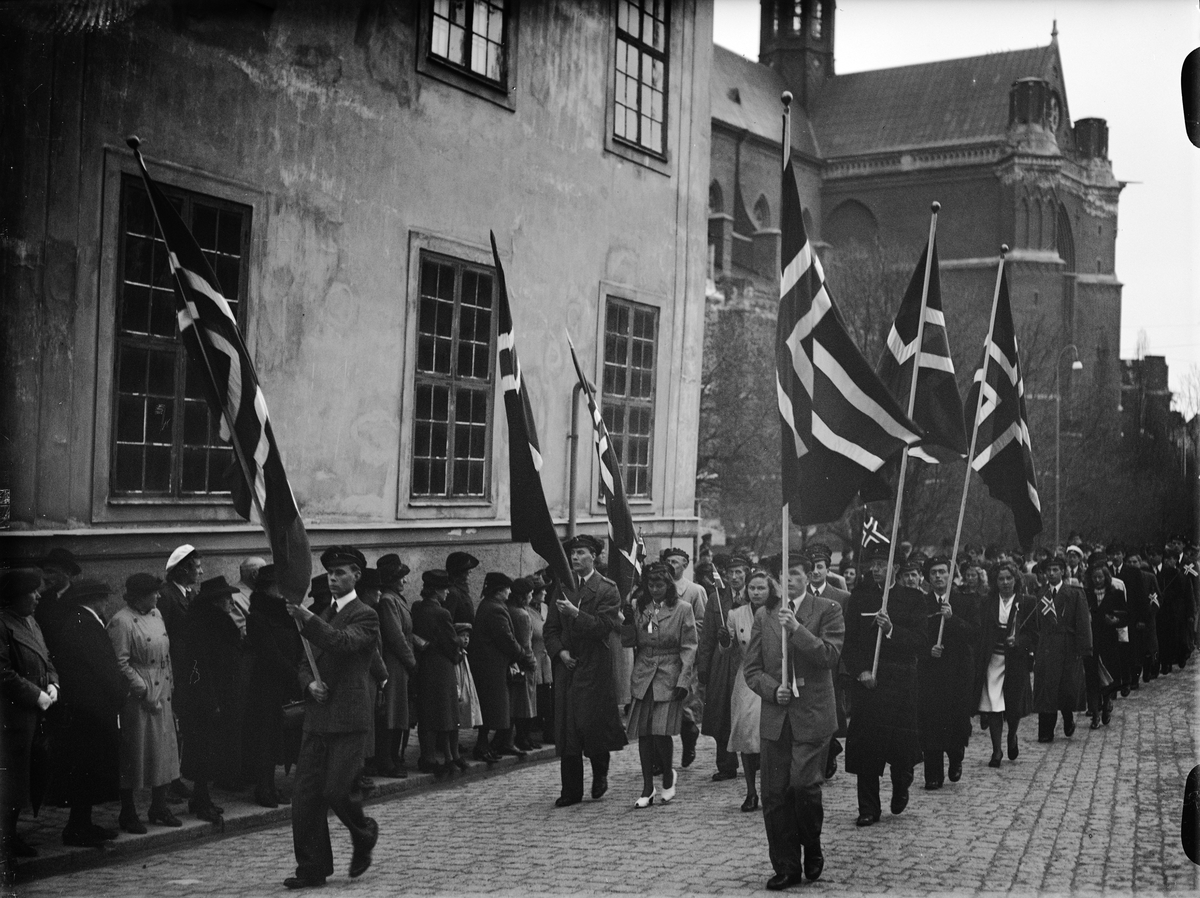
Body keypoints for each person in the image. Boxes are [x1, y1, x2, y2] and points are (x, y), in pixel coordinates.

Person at [743, 555, 844, 889]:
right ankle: (786, 865)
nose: (788, 580)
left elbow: (829, 656)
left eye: (796, 574)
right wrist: (773, 690)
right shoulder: (764, 615)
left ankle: (811, 844)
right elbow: (752, 669)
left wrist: (797, 629)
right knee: (774, 795)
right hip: (777, 717)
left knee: (802, 786)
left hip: (813, 715)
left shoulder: (827, 609)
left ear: (808, 576)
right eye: (782, 575)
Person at [283, 546, 381, 890]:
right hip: (317, 719)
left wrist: (308, 619)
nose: (333, 579)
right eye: (330, 573)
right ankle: (312, 868)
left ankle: (364, 834)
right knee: (305, 797)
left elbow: (342, 642)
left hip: (348, 718)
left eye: (340, 573)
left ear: (356, 575)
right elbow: (303, 662)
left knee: (338, 791)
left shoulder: (365, 615)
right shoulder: (323, 612)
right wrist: (309, 683)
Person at [842, 547, 926, 827]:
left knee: (901, 748)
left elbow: (920, 641)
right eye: (873, 564)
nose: (876, 569)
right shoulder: (860, 597)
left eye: (882, 564)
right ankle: (868, 807)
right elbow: (849, 643)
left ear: (895, 568)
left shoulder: (913, 599)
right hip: (869, 684)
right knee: (866, 747)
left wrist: (891, 629)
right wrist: (861, 671)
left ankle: (902, 782)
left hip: (901, 682)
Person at [544, 534, 628, 807]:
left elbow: (604, 627)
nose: (575, 557)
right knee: (568, 729)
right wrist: (560, 652)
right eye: (573, 553)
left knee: (592, 726)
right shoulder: (563, 586)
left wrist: (576, 614)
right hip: (568, 669)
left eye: (581, 552)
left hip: (595, 667)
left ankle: (600, 772)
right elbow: (550, 629)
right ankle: (570, 790)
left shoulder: (607, 589)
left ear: (594, 556)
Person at [53, 578, 129, 847]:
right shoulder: (85, 624)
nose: (107, 602)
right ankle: (77, 827)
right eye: (103, 597)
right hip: (90, 710)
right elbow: (103, 667)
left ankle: (83, 823)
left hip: (87, 708)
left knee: (88, 770)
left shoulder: (81, 621)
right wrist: (120, 693)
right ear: (93, 599)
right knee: (86, 770)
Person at [620, 561, 698, 808]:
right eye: (651, 585)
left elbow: (689, 646)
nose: (655, 590)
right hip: (644, 673)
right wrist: (627, 622)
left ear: (669, 585)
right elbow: (628, 642)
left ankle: (667, 775)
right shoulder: (639, 607)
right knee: (644, 732)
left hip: (669, 672)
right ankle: (647, 787)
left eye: (660, 585)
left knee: (661, 731)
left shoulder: (682, 609)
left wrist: (684, 679)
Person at [108, 573, 181, 833]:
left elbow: (165, 653)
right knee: (135, 753)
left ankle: (159, 806)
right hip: (138, 695)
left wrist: (169, 682)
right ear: (139, 596)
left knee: (164, 751)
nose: (159, 596)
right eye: (154, 592)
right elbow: (120, 663)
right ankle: (128, 812)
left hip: (162, 690)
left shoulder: (156, 615)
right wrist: (142, 689)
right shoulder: (122, 621)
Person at [1, 569, 58, 864]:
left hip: (35, 712)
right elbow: (3, 673)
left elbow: (46, 658)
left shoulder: (31, 622)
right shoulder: (3, 625)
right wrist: (36, 694)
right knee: (12, 778)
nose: (38, 597)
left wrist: (53, 683)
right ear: (16, 595)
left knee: (25, 776)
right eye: (32, 592)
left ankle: (11, 835)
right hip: (13, 715)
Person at [179, 576, 245, 824]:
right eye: (227, 598)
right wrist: (209, 698)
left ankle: (202, 797)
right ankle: (201, 799)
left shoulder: (219, 622)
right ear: (215, 601)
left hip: (220, 694)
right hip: (206, 697)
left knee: (212, 749)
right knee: (203, 750)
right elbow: (198, 665)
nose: (231, 602)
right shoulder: (201, 625)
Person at [917, 556, 980, 790]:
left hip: (958, 671)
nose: (938, 576)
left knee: (955, 718)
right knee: (931, 720)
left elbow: (975, 633)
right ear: (928, 577)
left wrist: (952, 619)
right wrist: (927, 650)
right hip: (931, 671)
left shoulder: (965, 601)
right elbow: (915, 636)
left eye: (942, 572)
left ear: (950, 575)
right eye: (934, 572)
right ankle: (933, 774)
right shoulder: (922, 604)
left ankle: (956, 756)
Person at [244, 564, 304, 808]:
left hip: (285, 685)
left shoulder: (285, 614)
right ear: (267, 588)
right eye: (279, 586)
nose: (283, 591)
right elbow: (269, 653)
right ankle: (263, 788)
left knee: (279, 737)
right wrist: (295, 675)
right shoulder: (257, 616)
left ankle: (271, 786)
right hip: (266, 685)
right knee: (265, 739)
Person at [698, 551, 753, 782]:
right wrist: (703, 667)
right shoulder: (716, 599)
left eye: (739, 572)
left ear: (746, 574)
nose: (734, 577)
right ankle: (726, 764)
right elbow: (707, 637)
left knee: (749, 711)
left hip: (748, 661)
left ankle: (755, 759)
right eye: (730, 573)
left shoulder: (754, 595)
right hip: (722, 663)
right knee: (721, 713)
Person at [975, 561, 1035, 767]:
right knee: (993, 704)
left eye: (1009, 578)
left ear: (1016, 580)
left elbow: (1034, 634)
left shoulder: (1026, 602)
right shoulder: (987, 602)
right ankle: (996, 750)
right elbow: (981, 629)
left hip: (1015, 660)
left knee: (1013, 704)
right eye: (1001, 579)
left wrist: (1019, 641)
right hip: (993, 658)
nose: (1005, 582)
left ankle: (1012, 735)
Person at [471, 572, 536, 760]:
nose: (509, 592)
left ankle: (490, 745)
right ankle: (482, 746)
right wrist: (522, 655)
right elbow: (507, 639)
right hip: (493, 666)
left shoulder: (490, 605)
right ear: (499, 590)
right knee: (491, 708)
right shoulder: (495, 609)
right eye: (507, 589)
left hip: (490, 664)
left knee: (492, 707)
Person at [157, 543, 203, 801]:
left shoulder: (189, 594)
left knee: (184, 725)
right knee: (171, 727)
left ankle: (175, 777)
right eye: (197, 567)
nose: (201, 572)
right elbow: (162, 635)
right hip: (175, 669)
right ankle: (167, 781)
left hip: (189, 670)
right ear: (184, 570)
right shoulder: (167, 596)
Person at [411, 570, 467, 775]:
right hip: (442, 667)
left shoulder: (417, 608)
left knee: (428, 713)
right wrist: (459, 648)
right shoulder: (442, 613)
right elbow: (450, 642)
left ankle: (428, 756)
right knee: (446, 713)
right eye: (444, 589)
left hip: (424, 665)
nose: (447, 592)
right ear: (436, 591)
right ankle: (448, 757)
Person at [1032, 556, 1092, 743]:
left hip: (1067, 645)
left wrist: (1084, 648)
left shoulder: (1074, 593)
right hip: (1046, 645)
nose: (1051, 574)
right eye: (1048, 570)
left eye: (1055, 570)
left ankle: (1067, 717)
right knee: (1046, 687)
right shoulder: (1040, 594)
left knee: (1065, 686)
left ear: (1063, 572)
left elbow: (1083, 622)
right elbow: (1035, 623)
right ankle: (1045, 731)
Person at [727, 569, 773, 811]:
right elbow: (728, 649)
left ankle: (770, 790)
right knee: (746, 733)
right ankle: (751, 791)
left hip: (772, 676)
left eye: (761, 588)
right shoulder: (735, 614)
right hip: (746, 678)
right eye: (752, 588)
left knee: (768, 734)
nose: (756, 592)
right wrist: (724, 640)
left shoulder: (778, 612)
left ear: (770, 590)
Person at [806, 546, 850, 778]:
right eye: (811, 567)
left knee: (829, 713)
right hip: (806, 663)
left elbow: (847, 637)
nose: (815, 572)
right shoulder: (797, 595)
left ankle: (828, 751)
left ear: (827, 569)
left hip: (831, 665)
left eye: (820, 567)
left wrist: (844, 670)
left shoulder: (841, 597)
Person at [660, 548, 707, 768]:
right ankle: (660, 760)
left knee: (686, 705)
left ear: (685, 565)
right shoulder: (657, 589)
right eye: (668, 561)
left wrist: (679, 633)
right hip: (662, 658)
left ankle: (689, 742)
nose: (671, 565)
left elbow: (702, 622)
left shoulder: (695, 591)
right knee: (660, 708)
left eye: (675, 562)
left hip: (685, 656)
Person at [374, 554, 417, 778]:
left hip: (401, 664)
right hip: (394, 663)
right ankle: (386, 760)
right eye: (400, 577)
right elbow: (396, 637)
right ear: (390, 579)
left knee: (399, 712)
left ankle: (393, 757)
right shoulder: (388, 601)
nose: (405, 581)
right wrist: (412, 662)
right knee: (391, 713)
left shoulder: (396, 599)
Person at [1084, 555, 1128, 729]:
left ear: (1106, 577)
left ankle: (1106, 705)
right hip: (1091, 640)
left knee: (1108, 676)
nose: (1097, 580)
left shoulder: (1115, 593)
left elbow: (1125, 615)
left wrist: (1115, 621)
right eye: (1094, 577)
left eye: (1100, 577)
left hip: (1109, 640)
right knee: (1092, 677)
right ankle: (1095, 713)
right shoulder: (1086, 595)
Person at [505, 577, 540, 752]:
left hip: (514, 663)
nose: (531, 597)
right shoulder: (522, 615)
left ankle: (521, 737)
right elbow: (526, 644)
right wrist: (532, 662)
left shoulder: (510, 610)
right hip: (524, 664)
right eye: (530, 594)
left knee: (517, 704)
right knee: (524, 704)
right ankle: (521, 737)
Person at [526, 574, 552, 748]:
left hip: (546, 659)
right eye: (542, 590)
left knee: (546, 696)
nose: (545, 593)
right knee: (533, 696)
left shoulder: (545, 608)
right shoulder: (526, 611)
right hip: (533, 657)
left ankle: (545, 729)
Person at [233, 557, 266, 638]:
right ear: (254, 574)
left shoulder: (261, 593)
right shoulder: (234, 597)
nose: (267, 578)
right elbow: (242, 632)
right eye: (265, 573)